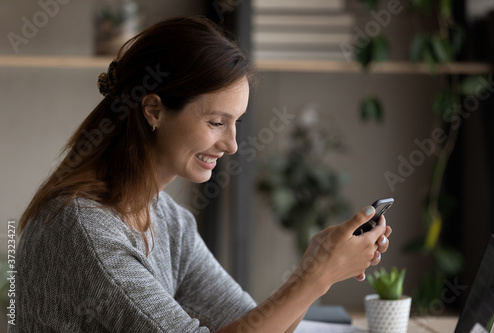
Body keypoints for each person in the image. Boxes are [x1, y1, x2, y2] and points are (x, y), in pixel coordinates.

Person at [12, 16, 391, 332]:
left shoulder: (168, 220)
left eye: (236, 123)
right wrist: (317, 276)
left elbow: (251, 323)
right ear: (154, 110)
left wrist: (318, 265)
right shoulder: (84, 231)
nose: (231, 145)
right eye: (215, 122)